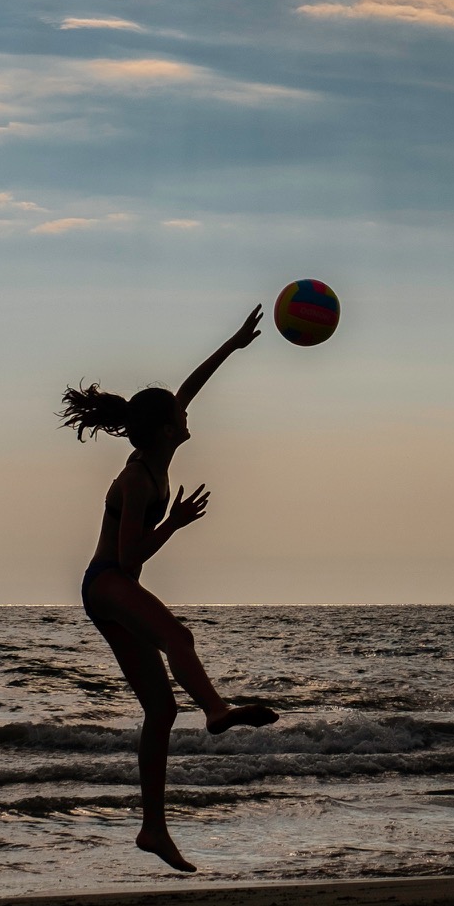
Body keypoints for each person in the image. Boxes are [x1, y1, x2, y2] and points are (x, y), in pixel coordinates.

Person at [59, 306, 279, 871]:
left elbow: (189, 386)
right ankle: (215, 711)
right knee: (178, 635)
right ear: (163, 428)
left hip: (111, 589)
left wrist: (232, 345)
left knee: (160, 709)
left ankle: (152, 829)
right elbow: (129, 560)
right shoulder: (137, 477)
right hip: (106, 583)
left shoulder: (160, 447)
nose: (187, 415)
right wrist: (174, 525)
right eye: (178, 414)